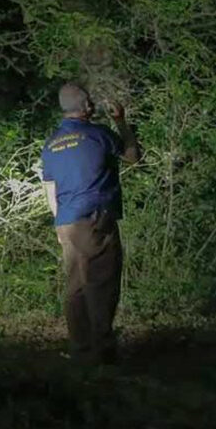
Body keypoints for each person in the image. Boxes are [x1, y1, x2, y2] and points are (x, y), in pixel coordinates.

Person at [41, 83, 141, 364]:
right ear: (86, 106)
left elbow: (50, 187)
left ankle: (80, 349)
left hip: (66, 221)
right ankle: (103, 349)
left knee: (76, 285)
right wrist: (120, 121)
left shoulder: (50, 144)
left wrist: (58, 223)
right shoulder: (99, 134)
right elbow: (133, 156)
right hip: (95, 217)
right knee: (102, 281)